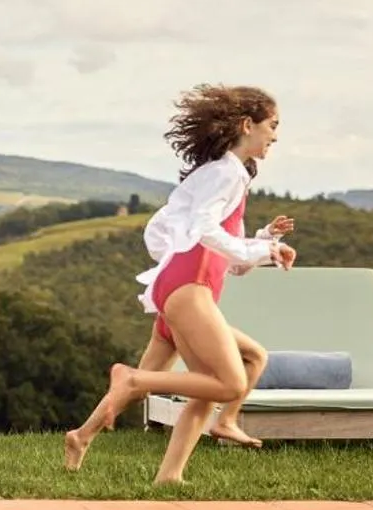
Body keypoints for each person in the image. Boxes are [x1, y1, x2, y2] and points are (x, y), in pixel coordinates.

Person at [64, 85, 296, 483]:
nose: (275, 135)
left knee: (243, 363)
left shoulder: (228, 176)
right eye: (272, 126)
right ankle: (135, 379)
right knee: (227, 381)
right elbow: (205, 230)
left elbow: (228, 257)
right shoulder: (225, 173)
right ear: (247, 125)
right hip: (189, 290)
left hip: (185, 288)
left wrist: (263, 243)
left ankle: (99, 443)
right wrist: (260, 252)